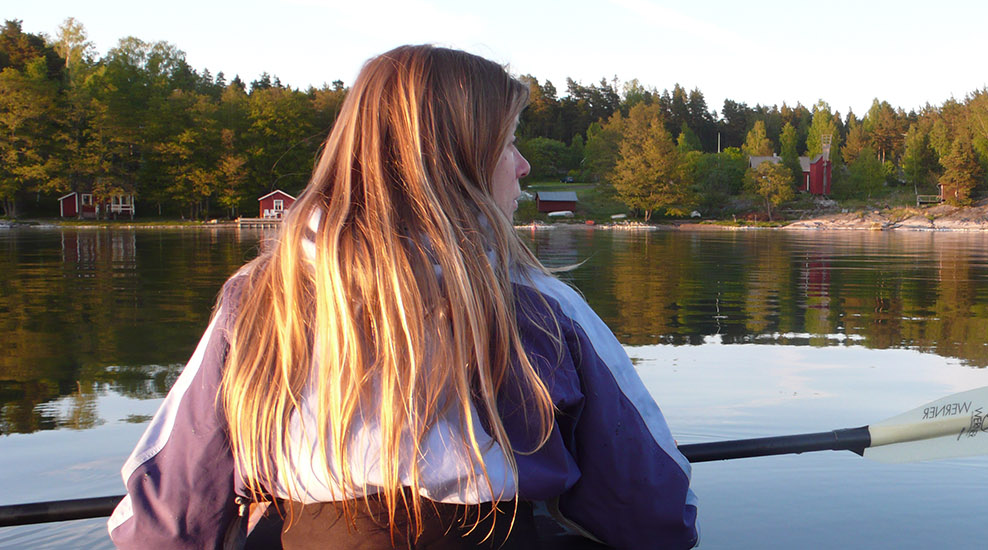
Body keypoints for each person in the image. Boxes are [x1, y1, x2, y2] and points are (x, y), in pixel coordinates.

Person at [107, 45, 698, 549]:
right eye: (509, 143)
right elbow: (649, 509)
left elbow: (164, 521)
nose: (522, 167)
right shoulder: (544, 310)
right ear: (452, 160)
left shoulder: (259, 302)